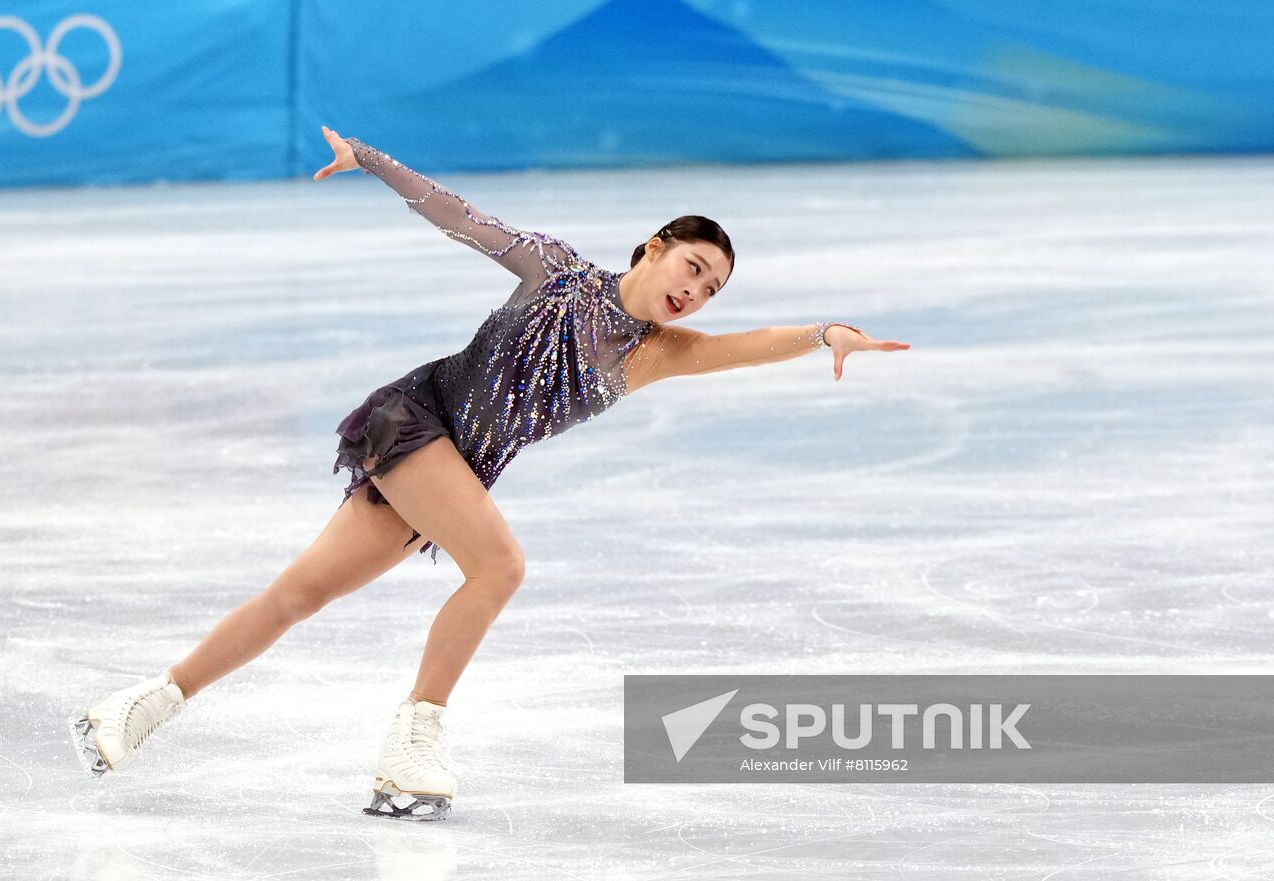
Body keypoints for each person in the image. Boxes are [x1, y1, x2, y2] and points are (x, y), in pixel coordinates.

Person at [69, 126, 911, 821]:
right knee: (501, 565)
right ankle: (414, 739)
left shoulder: (661, 356)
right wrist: (369, 161)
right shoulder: (553, 271)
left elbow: (748, 346)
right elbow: (461, 217)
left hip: (455, 469)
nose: (698, 292)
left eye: (713, 288)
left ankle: (140, 705)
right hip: (412, 420)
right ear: (654, 248)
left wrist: (824, 332)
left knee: (299, 594)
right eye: (693, 267)